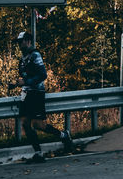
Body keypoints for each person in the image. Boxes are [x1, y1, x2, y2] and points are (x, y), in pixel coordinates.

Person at [14, 31, 76, 161]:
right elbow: (26, 76)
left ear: (28, 41)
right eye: (18, 42)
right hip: (25, 94)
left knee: (38, 125)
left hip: (36, 93)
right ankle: (38, 153)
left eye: (22, 41)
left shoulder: (35, 55)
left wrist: (26, 82)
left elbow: (43, 75)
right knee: (25, 123)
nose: (20, 44)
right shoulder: (22, 59)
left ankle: (63, 135)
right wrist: (16, 84)